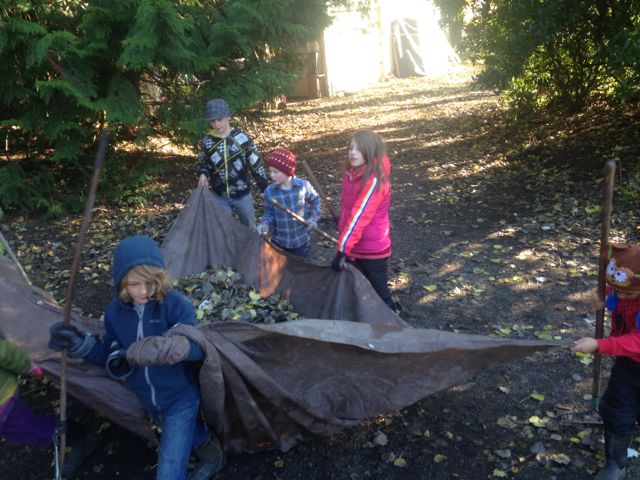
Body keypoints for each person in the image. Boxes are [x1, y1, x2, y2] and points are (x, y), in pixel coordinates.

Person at [49, 235, 226, 480]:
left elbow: (199, 350)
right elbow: (110, 352)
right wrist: (80, 344)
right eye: (134, 284)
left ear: (160, 278)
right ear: (122, 282)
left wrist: (171, 347)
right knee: (184, 433)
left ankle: (209, 453)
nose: (143, 291)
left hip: (180, 397)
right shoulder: (114, 313)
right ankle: (212, 452)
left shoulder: (175, 306)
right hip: (148, 401)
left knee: (168, 472)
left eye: (150, 283)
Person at [572, 243, 640, 480]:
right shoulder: (624, 292)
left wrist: (600, 345)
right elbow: (615, 296)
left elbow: (636, 341)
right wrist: (602, 300)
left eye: (625, 292)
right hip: (628, 367)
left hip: (633, 354)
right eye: (616, 289)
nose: (620, 294)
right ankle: (616, 463)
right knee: (617, 410)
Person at [0, 338, 95, 477]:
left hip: (3, 400)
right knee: (16, 433)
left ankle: (78, 437)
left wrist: (27, 366)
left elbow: (4, 351)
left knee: (28, 429)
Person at [331, 130, 395, 311]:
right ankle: (365, 324)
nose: (352, 153)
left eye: (359, 149)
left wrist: (342, 249)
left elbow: (360, 216)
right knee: (357, 289)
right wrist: (341, 223)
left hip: (371, 249)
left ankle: (393, 328)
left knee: (378, 292)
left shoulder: (374, 181)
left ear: (370, 152)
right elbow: (350, 211)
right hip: (355, 246)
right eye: (351, 148)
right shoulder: (352, 174)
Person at [196, 98, 269, 228]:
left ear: (228, 117)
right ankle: (230, 248)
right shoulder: (207, 142)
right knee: (223, 228)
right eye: (213, 121)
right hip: (220, 195)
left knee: (249, 227)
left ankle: (251, 248)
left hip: (243, 195)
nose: (217, 124)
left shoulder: (241, 139)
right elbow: (203, 161)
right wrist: (202, 173)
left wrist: (263, 186)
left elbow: (255, 163)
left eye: (220, 119)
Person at [255, 147, 321, 258]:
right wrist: (264, 224)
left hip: (301, 240)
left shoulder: (303, 186)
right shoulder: (269, 192)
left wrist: (313, 219)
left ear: (288, 171)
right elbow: (268, 214)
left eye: (276, 172)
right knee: (284, 271)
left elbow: (315, 201)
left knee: (302, 267)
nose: (271, 175)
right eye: (270, 171)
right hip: (280, 241)